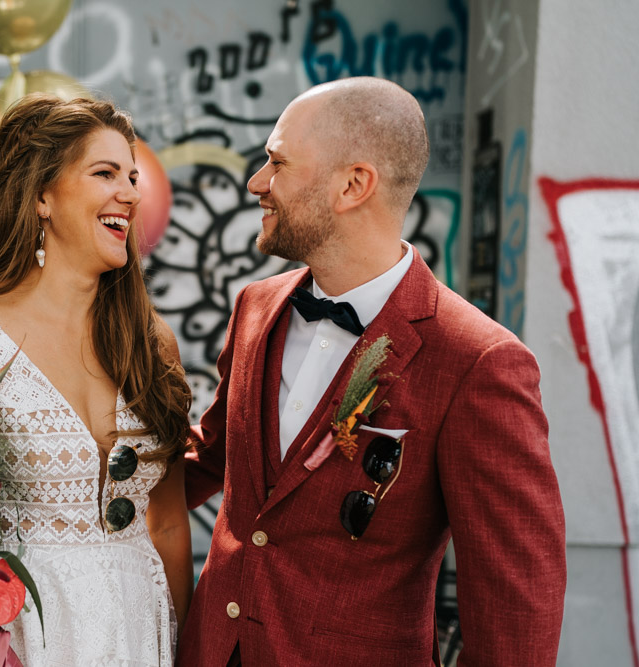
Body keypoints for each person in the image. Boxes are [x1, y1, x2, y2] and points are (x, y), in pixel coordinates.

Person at [177, 77, 566, 666]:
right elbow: (211, 457)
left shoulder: (478, 362)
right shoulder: (255, 307)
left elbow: (517, 606)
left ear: (354, 185)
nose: (256, 183)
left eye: (277, 162)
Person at [0, 93, 193, 665]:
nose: (132, 194)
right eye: (106, 173)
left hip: (140, 628)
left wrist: (181, 647)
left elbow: (165, 523)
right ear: (42, 196)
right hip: (21, 637)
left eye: (133, 177)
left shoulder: (151, 342)